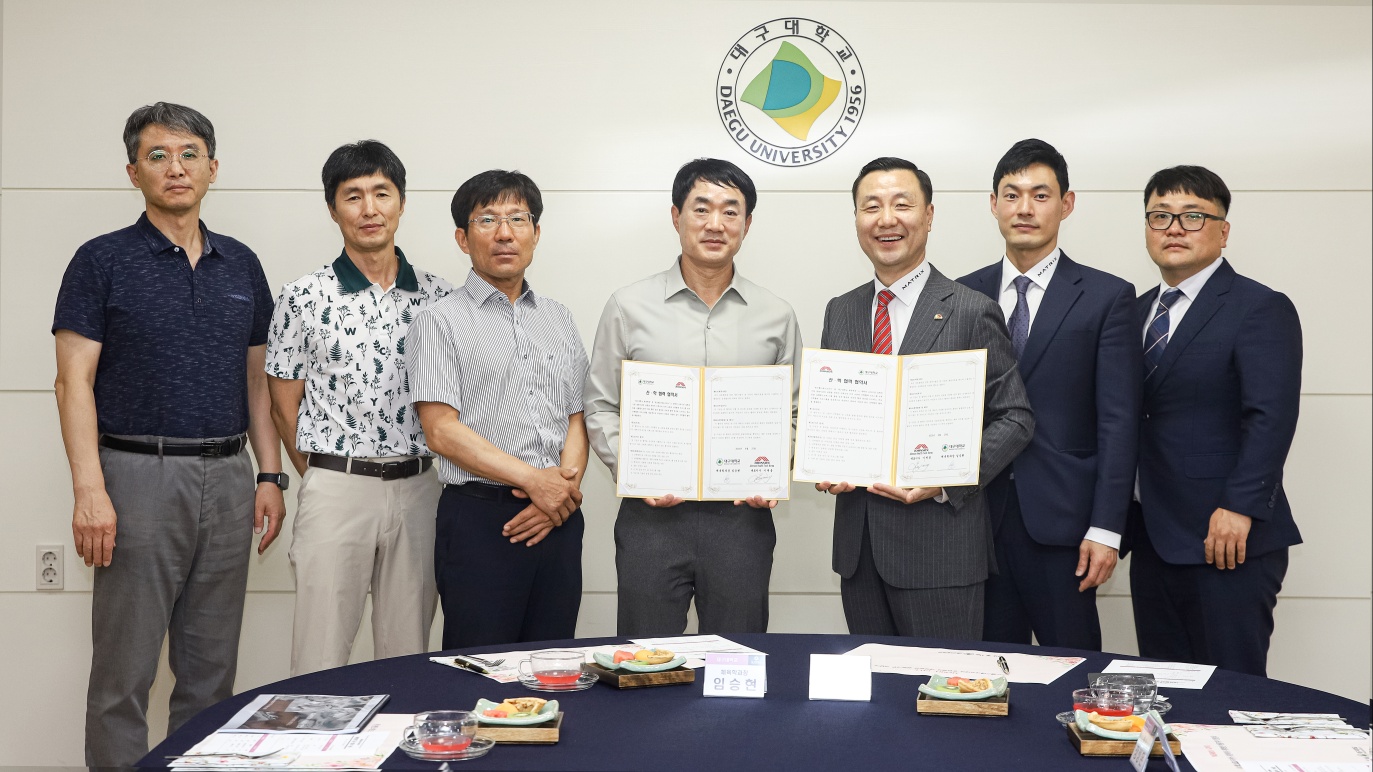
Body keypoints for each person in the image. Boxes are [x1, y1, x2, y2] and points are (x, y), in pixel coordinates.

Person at [52, 102, 285, 767]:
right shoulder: (101, 260)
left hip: (230, 477)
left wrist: (269, 475)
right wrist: (90, 490)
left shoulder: (241, 263)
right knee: (123, 676)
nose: (175, 168)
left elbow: (257, 382)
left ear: (213, 167)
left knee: (211, 674)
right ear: (134, 172)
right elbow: (72, 382)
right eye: (157, 156)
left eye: (189, 154)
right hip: (136, 478)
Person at [816, 157, 1033, 640]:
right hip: (859, 552)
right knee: (872, 681)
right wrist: (825, 460)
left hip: (940, 551)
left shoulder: (971, 310)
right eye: (871, 206)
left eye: (902, 205)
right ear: (857, 218)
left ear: (929, 215)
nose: (886, 219)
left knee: (942, 683)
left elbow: (1015, 417)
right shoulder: (841, 310)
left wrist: (945, 481)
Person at [584, 158, 803, 636]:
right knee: (645, 660)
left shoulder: (777, 315)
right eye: (701, 209)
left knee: (736, 658)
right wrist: (635, 469)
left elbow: (793, 412)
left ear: (747, 224)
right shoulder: (627, 306)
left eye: (730, 211)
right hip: (651, 520)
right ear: (676, 216)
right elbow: (600, 406)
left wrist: (772, 467)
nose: (715, 224)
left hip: (741, 521)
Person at [265, 140, 452, 676]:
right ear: (333, 209)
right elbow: (283, 406)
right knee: (320, 658)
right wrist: (323, 476)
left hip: (420, 489)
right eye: (353, 196)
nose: (369, 209)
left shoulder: (440, 298)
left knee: (409, 654)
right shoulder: (303, 297)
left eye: (381, 193)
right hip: (336, 488)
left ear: (402, 203)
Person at [956, 139, 1141, 650]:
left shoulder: (1107, 297)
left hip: (1066, 525)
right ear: (993, 204)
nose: (1025, 208)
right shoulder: (961, 294)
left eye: (1040, 195)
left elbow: (1119, 422)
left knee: (1074, 670)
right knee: (986, 671)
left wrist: (1106, 528)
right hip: (976, 520)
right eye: (1011, 195)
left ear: (1066, 203)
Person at [1128, 165, 1302, 677]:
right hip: (1153, 538)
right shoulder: (1133, 313)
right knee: (1166, 694)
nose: (1174, 228)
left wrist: (1240, 506)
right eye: (1160, 216)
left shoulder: (1259, 307)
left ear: (1223, 231)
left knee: (1231, 692)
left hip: (1226, 540)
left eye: (1193, 216)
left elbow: (1270, 416)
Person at [407, 170, 589, 648]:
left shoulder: (558, 317)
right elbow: (441, 431)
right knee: (478, 666)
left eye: (517, 219)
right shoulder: (438, 321)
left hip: (558, 519)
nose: (505, 233)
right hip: (481, 521)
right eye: (487, 220)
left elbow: (577, 417)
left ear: (536, 232)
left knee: (552, 664)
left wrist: (558, 495)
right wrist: (535, 483)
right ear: (462, 238)